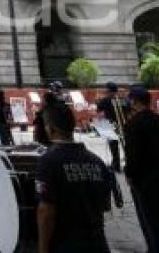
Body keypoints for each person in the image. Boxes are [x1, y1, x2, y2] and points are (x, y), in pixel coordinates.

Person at [36, 101, 113, 253]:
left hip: (66, 245)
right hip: (97, 244)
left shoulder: (48, 161)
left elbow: (46, 212)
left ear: (51, 129)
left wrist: (43, 249)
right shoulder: (97, 161)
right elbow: (106, 205)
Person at [124, 86, 159, 253]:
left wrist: (129, 173)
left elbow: (133, 154)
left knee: (150, 218)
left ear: (134, 101)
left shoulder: (133, 124)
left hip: (145, 177)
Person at [95, 82, 129, 172]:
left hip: (111, 126)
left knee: (114, 146)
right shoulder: (124, 100)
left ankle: (116, 164)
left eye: (106, 89)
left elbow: (100, 114)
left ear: (109, 90)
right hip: (124, 125)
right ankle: (130, 163)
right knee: (126, 145)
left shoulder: (104, 101)